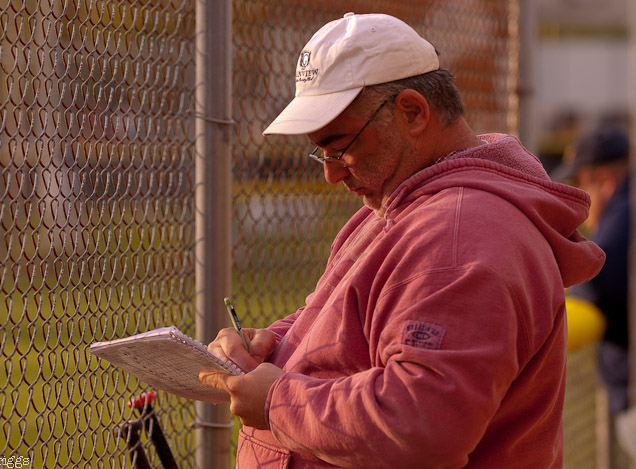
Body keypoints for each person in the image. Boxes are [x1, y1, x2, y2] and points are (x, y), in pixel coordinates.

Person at [199, 13, 605, 468]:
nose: (332, 173)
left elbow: (420, 425)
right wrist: (275, 342)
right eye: (321, 154)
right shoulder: (407, 204)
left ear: (412, 112)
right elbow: (349, 314)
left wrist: (277, 400)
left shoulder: (460, 233)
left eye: (340, 146)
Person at [552, 127, 631, 411]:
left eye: (582, 185)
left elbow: (596, 286)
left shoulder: (625, 210)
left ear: (606, 180)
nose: (578, 200)